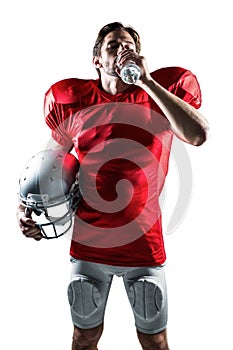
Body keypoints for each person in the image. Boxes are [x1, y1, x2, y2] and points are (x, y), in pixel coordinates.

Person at [16, 22, 209, 350]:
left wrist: (147, 81)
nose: (122, 52)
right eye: (113, 46)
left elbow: (198, 135)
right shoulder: (75, 102)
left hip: (143, 242)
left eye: (128, 47)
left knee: (154, 341)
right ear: (96, 60)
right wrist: (27, 212)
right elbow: (47, 167)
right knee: (84, 337)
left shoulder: (157, 96)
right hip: (90, 242)